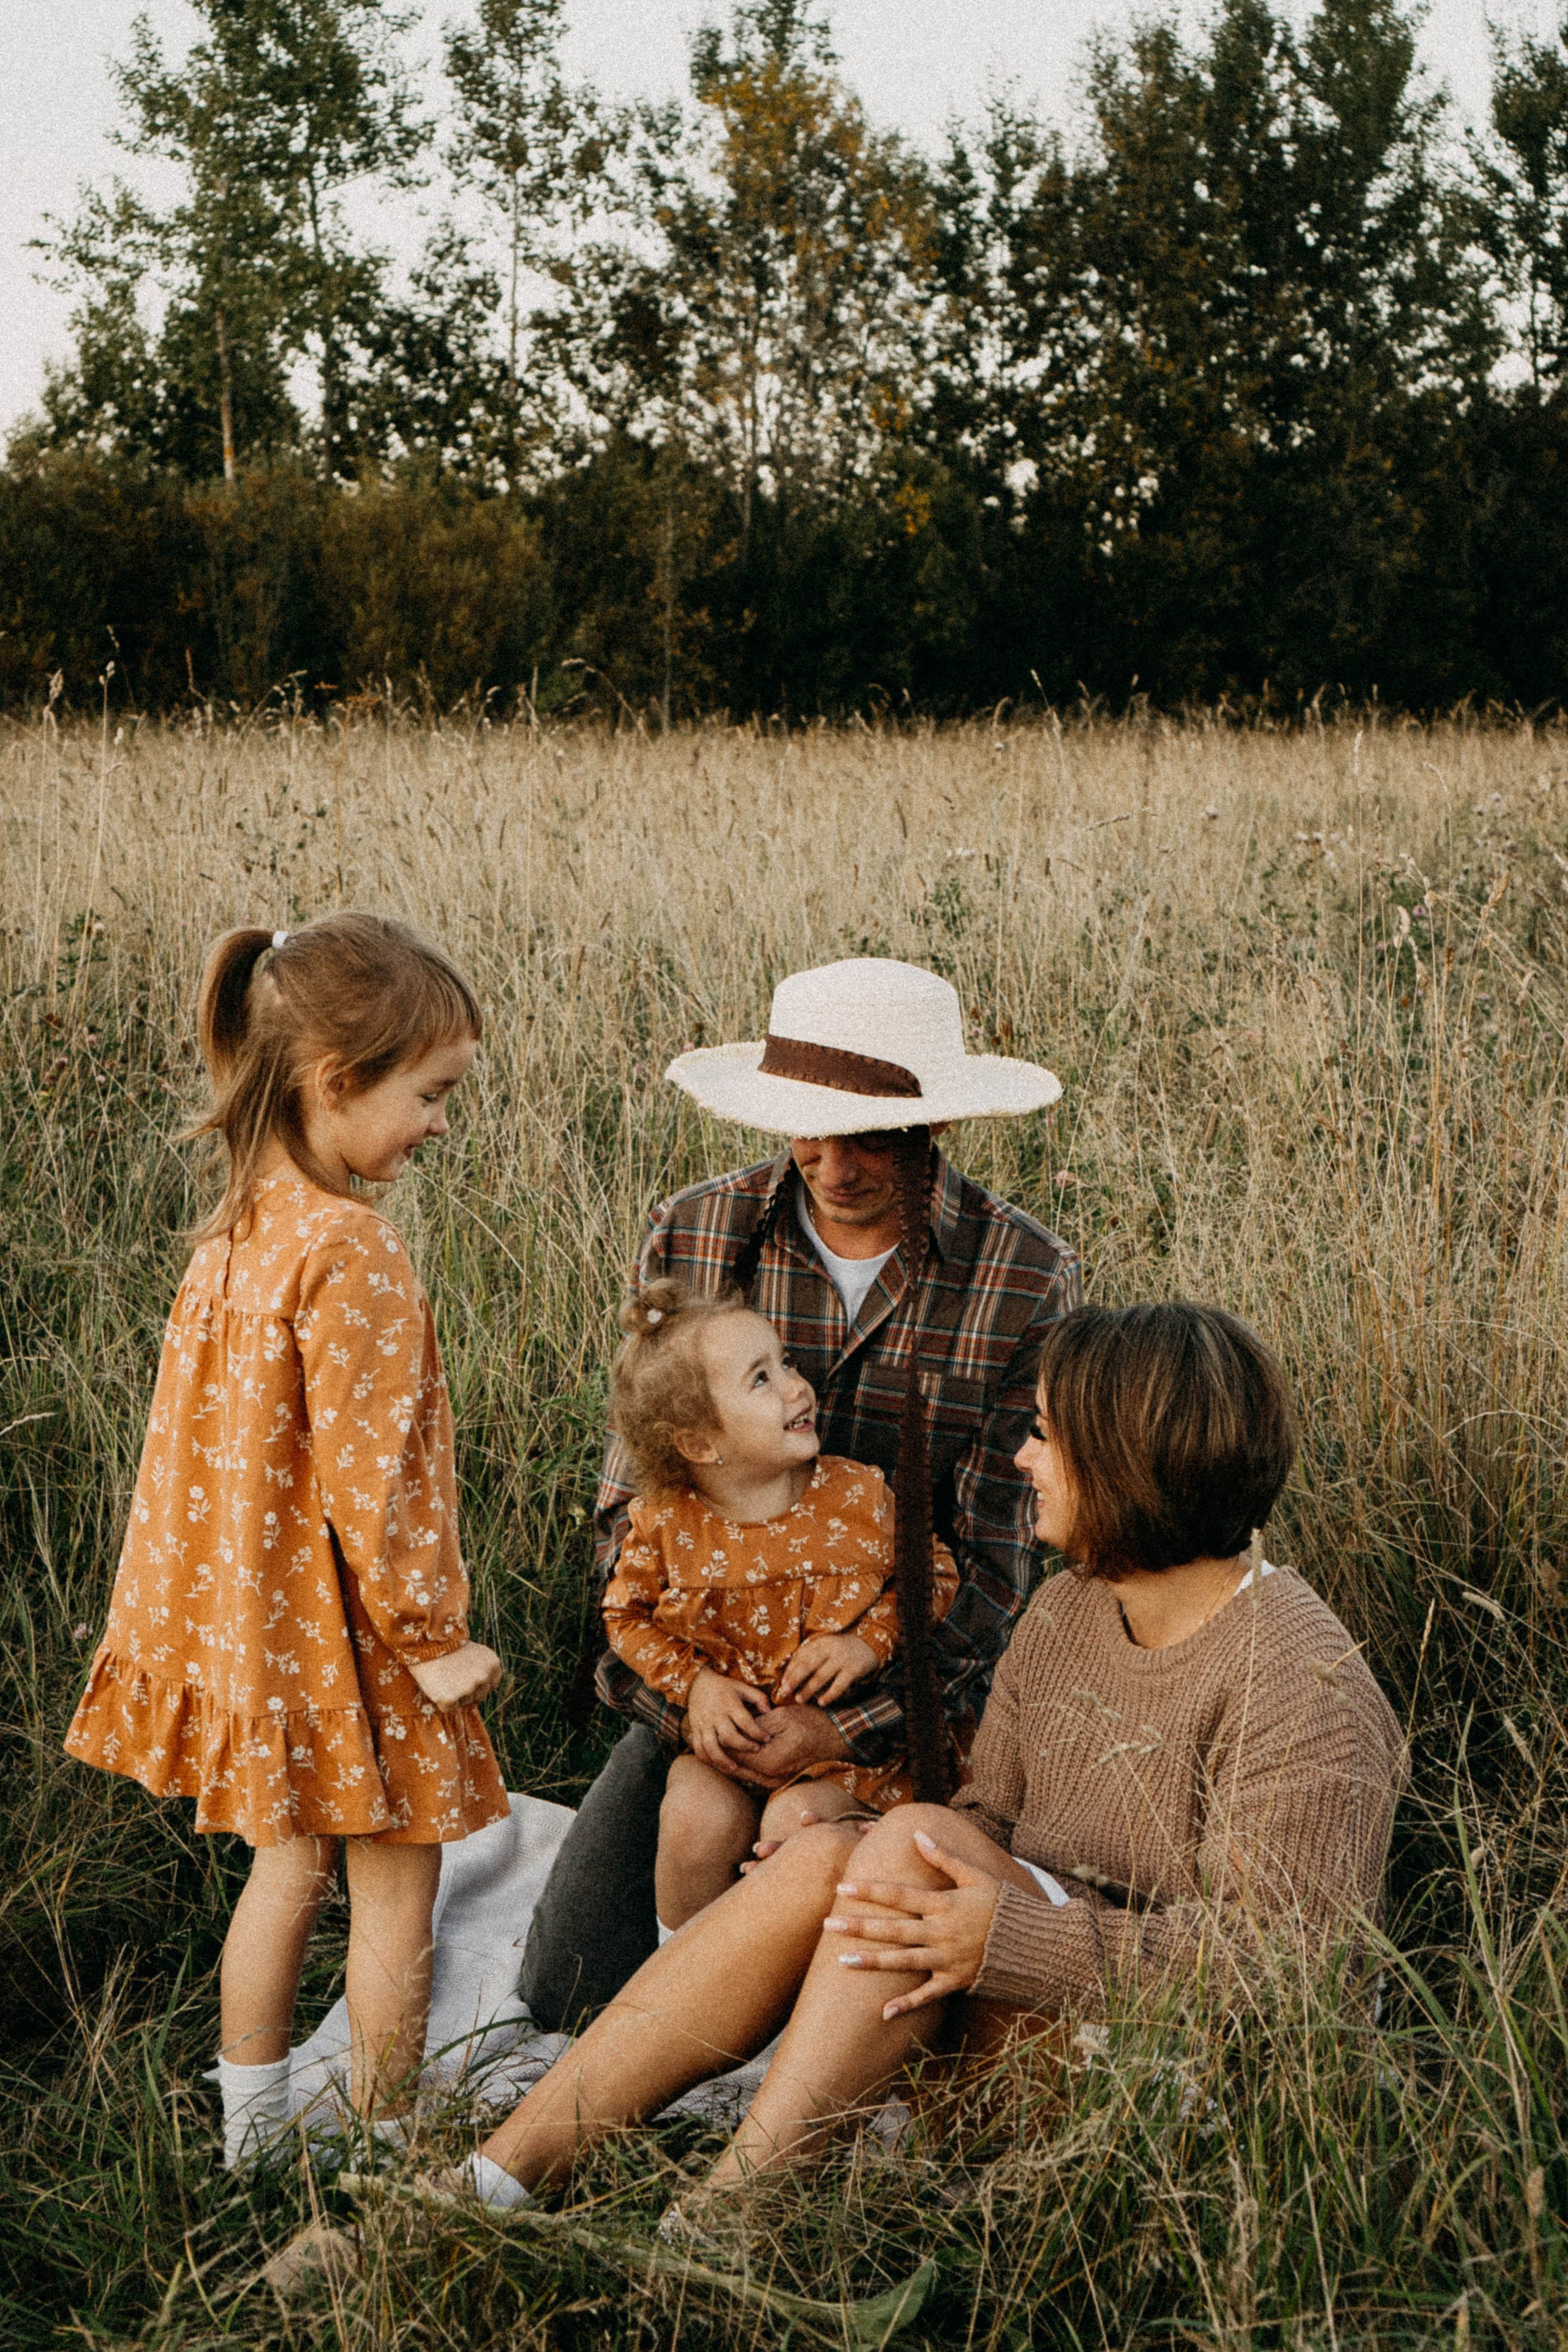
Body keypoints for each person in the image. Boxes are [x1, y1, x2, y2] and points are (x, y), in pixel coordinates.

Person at [434, 1300, 1408, 2217]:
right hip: (1043, 2016)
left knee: (909, 1844)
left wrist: (1003, 1936)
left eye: (1047, 1437)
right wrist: (850, 1844)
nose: (1024, 1458)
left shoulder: (1298, 1679)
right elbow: (990, 1826)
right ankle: (490, 2181)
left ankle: (731, 2221)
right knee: (838, 1848)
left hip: (1187, 2110)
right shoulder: (1073, 1608)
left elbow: (1286, 1971)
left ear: (1128, 1463)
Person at [521, 956, 1080, 2028]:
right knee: (567, 1997)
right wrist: (695, 1706)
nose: (828, 1163)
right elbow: (624, 1524)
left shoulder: (1021, 1274)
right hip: (716, 1694)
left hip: (908, 1709)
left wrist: (844, 1729)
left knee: (872, 1979)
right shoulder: (697, 1232)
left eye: (866, 1134)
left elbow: (999, 1577)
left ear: (936, 1124)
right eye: (804, 1128)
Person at [64, 913, 508, 2169]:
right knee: (398, 1884)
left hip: (262, 1630)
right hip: (359, 1635)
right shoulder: (350, 1253)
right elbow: (377, 1488)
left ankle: (251, 2139)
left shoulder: (241, 1231)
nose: (439, 1123)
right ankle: (381, 2137)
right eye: (428, 1094)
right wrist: (431, 1641)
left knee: (285, 1869)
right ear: (333, 1082)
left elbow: (198, 1461)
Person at [603, 1279, 961, 1934]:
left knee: (797, 1826)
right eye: (761, 1380)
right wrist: (696, 1686)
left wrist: (869, 1642)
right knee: (693, 1818)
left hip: (848, 1756)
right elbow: (624, 1618)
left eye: (787, 1363)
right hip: (728, 1747)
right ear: (700, 1445)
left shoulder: (857, 1496)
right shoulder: (664, 1524)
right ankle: (687, 1978)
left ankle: (786, 1990)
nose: (798, 1387)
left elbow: (933, 1571)